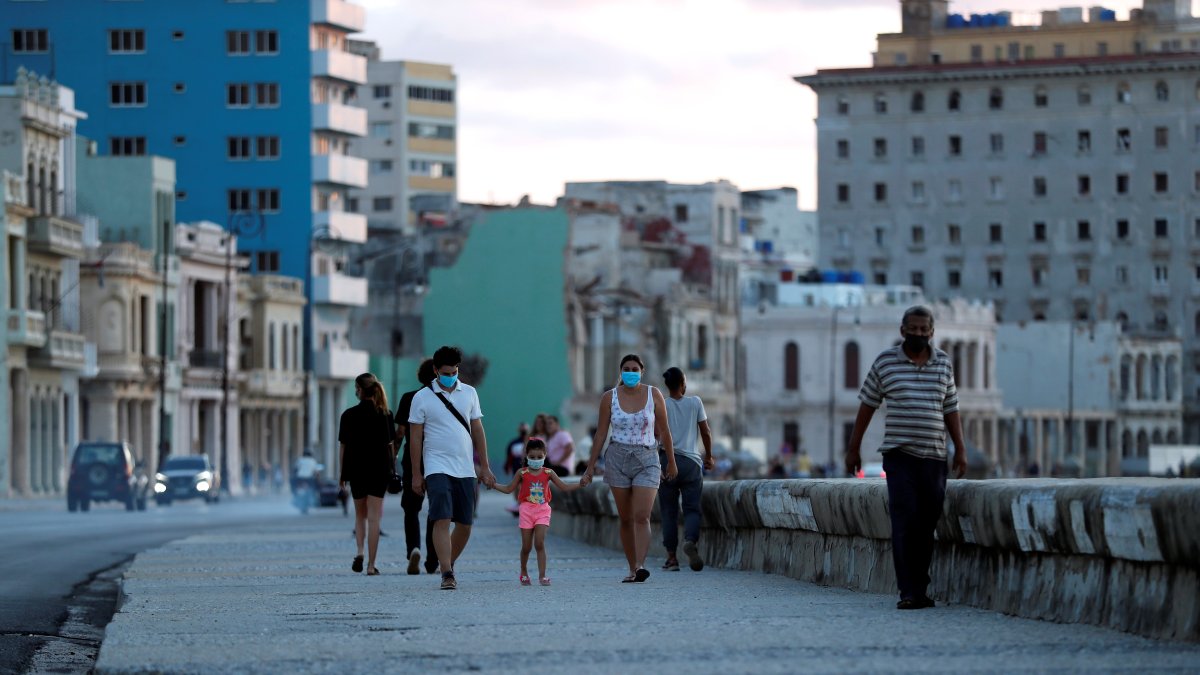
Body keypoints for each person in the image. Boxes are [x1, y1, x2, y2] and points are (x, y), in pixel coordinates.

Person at [845, 305, 967, 611]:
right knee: (904, 520)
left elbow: (951, 408)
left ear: (931, 332)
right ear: (903, 331)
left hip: (934, 457)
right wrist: (854, 447)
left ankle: (920, 587)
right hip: (899, 456)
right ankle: (908, 591)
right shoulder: (886, 362)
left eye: (924, 329)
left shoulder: (943, 364)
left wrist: (960, 449)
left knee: (927, 524)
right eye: (913, 329)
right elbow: (867, 405)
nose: (918, 334)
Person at [580, 354, 678, 583]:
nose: (631, 372)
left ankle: (641, 565)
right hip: (617, 458)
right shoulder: (609, 397)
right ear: (621, 372)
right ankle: (632, 567)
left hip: (647, 457)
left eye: (635, 369)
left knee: (642, 516)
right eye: (627, 369)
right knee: (625, 518)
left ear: (642, 371)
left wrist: (671, 461)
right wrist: (590, 467)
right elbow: (601, 434)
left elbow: (665, 430)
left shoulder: (654, 394)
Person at [408, 345, 497, 590]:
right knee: (441, 517)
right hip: (436, 466)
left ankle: (447, 561)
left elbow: (477, 429)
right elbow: (415, 438)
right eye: (446, 373)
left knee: (465, 524)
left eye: (455, 371)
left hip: (465, 468)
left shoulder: (469, 393)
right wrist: (416, 474)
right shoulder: (422, 398)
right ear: (436, 370)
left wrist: (485, 466)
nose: (451, 376)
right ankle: (447, 573)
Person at [492, 438, 581, 585]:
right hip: (526, 510)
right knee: (526, 547)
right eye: (532, 457)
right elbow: (508, 489)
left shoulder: (548, 472)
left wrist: (580, 484)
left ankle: (542, 576)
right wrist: (493, 485)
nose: (536, 460)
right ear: (526, 456)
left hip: (542, 510)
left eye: (539, 457)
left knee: (539, 543)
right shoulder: (522, 473)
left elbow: (564, 486)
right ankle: (523, 571)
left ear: (545, 455)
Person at [338, 373, 396, 577]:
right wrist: (392, 470)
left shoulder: (348, 415)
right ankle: (371, 565)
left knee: (359, 515)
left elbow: (343, 448)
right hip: (379, 471)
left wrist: (342, 475)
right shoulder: (386, 415)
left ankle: (360, 552)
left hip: (356, 471)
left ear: (360, 390)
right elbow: (390, 447)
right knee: (374, 519)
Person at [658, 367, 713, 573]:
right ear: (683, 384)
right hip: (691, 463)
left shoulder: (661, 404)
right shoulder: (695, 402)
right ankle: (690, 540)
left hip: (667, 461)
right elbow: (705, 432)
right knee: (692, 508)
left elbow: (655, 435)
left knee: (668, 511)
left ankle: (671, 558)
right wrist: (709, 456)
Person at [394, 358, 438, 575]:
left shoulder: (409, 398)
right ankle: (433, 558)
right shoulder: (442, 399)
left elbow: (401, 433)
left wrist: (393, 457)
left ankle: (413, 549)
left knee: (410, 509)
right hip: (438, 461)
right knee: (436, 510)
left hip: (413, 461)